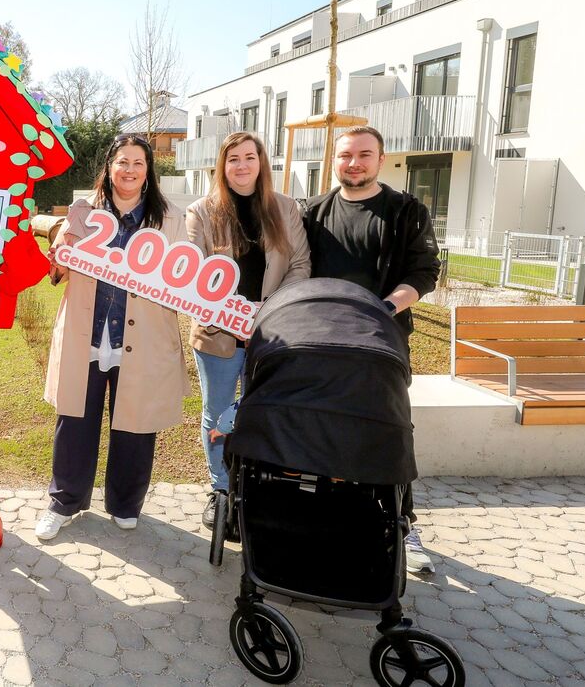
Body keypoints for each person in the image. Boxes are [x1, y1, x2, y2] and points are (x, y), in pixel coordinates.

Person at [36, 134, 191, 540]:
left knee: (135, 425)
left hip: (144, 337)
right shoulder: (83, 211)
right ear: (109, 167)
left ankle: (126, 503)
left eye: (138, 163)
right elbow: (57, 271)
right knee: (74, 421)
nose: (130, 170)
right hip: (87, 331)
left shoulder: (171, 218)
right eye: (122, 162)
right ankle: (63, 501)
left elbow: (185, 281)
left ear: (148, 170)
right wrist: (58, 252)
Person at [303, 125, 441, 573]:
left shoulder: (405, 212)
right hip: (324, 346)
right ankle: (327, 523)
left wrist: (382, 308)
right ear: (334, 161)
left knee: (389, 433)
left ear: (381, 160)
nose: (354, 163)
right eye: (345, 155)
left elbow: (424, 274)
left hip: (383, 344)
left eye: (364, 154)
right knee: (323, 432)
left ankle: (403, 526)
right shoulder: (313, 213)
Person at [187, 131, 310, 539]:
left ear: (262, 162)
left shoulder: (286, 208)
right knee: (219, 414)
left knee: (261, 414)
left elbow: (300, 265)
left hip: (269, 336)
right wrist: (229, 312)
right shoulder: (201, 213)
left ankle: (253, 490)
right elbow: (193, 275)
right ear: (221, 166)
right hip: (218, 335)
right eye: (233, 159)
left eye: (249, 157)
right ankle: (220, 490)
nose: (242, 166)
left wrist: (270, 310)